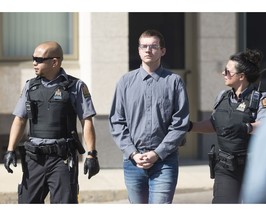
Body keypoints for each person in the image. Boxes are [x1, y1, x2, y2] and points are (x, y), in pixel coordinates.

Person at [3, 41, 100, 204]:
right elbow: (20, 119)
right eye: (33, 58)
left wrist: (92, 154)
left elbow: (87, 121)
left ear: (54, 62)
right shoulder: (30, 86)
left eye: (39, 59)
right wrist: (10, 150)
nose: (34, 62)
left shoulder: (75, 86)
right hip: (34, 159)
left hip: (62, 159)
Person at [108, 29, 190, 204]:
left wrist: (157, 153)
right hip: (133, 162)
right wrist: (133, 153)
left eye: (153, 46)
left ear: (162, 51)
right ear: (138, 50)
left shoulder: (174, 81)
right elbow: (117, 121)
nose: (148, 50)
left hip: (164, 162)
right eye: (144, 46)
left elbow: (180, 124)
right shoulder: (125, 82)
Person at [188, 49, 266, 203]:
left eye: (228, 71)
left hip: (251, 167)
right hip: (225, 167)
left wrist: (247, 128)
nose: (223, 73)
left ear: (241, 76)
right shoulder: (222, 97)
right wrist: (190, 126)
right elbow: (214, 125)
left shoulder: (260, 99)